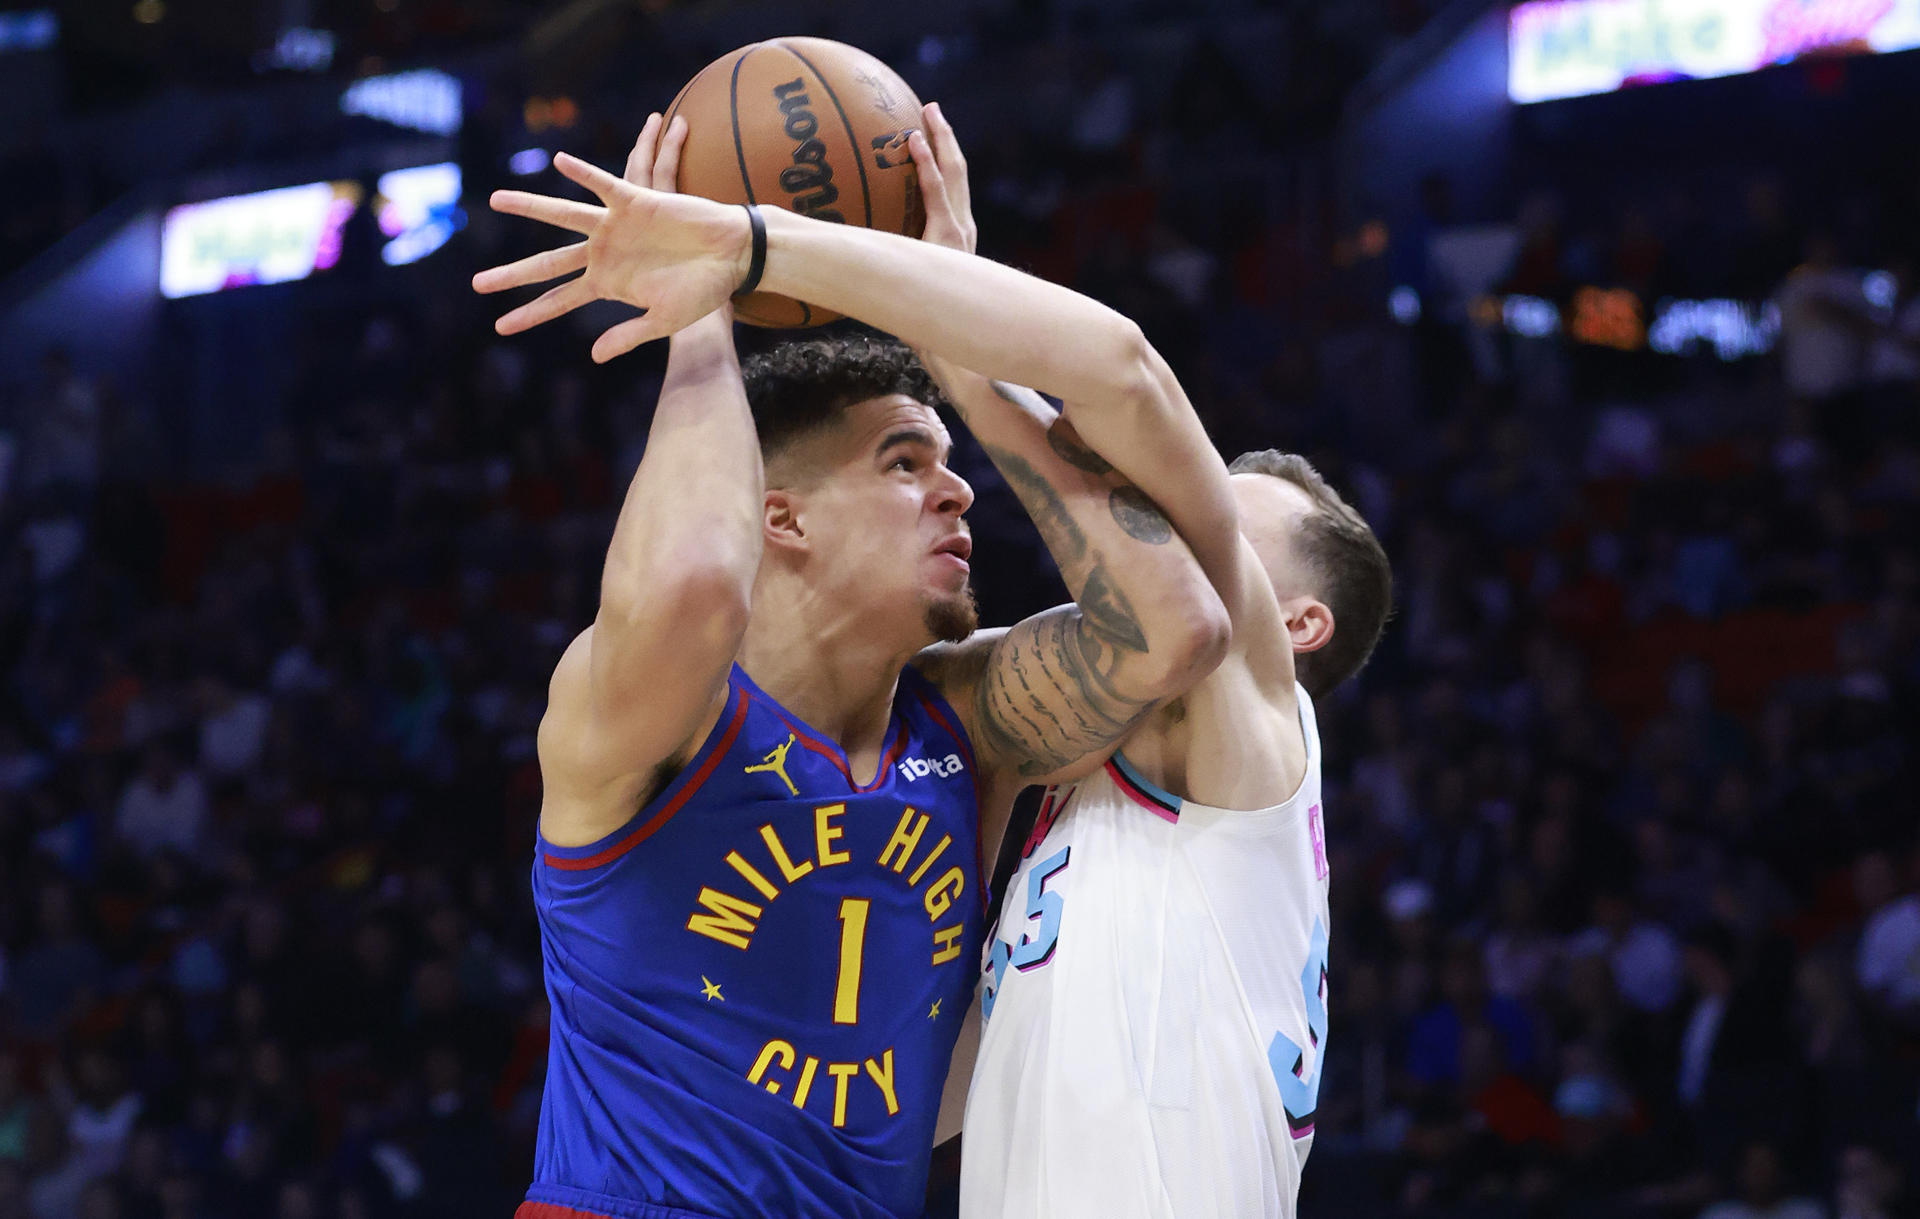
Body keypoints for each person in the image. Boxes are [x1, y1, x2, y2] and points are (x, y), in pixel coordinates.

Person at [479, 109, 1234, 1219]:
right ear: (778, 518)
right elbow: (694, 579)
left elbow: (1178, 628)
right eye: (903, 460)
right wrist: (698, 323)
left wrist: (964, 351)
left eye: (948, 459)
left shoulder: (964, 726)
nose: (960, 487)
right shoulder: (654, 712)